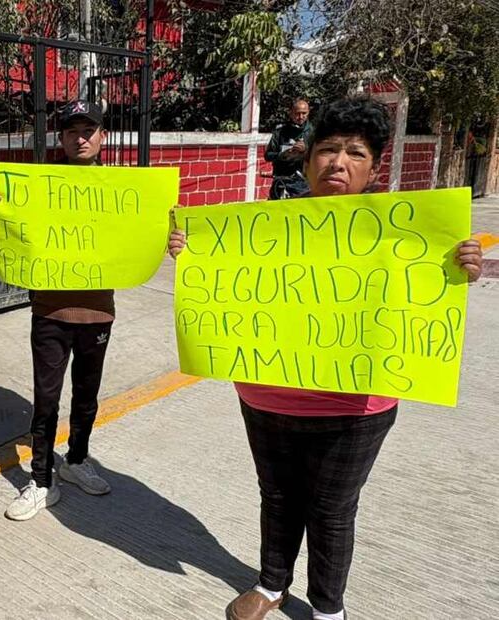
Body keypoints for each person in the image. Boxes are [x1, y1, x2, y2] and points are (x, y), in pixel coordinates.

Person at [168, 97, 483, 620]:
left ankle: (328, 607)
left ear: (373, 167)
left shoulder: (410, 233)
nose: (339, 162)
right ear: (309, 158)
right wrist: (193, 251)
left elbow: (430, 291)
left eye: (354, 153)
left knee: (332, 510)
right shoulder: (263, 224)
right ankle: (271, 585)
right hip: (266, 393)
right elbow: (226, 279)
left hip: (357, 406)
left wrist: (460, 267)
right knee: (276, 496)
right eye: (328, 149)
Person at [0, 100, 116, 521]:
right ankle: (42, 480)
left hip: (97, 310)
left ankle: (76, 461)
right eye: (72, 131)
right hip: (49, 309)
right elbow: (18, 230)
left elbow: (141, 236)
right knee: (45, 400)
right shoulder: (37, 184)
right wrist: (2, 207)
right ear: (60, 138)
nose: (80, 138)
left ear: (102, 136)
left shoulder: (122, 190)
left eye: (88, 130)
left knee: (87, 395)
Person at [265, 98, 313, 199]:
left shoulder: (313, 133)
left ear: (308, 112)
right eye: (297, 113)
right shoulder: (280, 132)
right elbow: (268, 155)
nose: (300, 117)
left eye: (304, 113)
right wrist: (282, 155)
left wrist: (306, 151)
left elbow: (320, 156)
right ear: (291, 113)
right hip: (281, 180)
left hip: (303, 182)